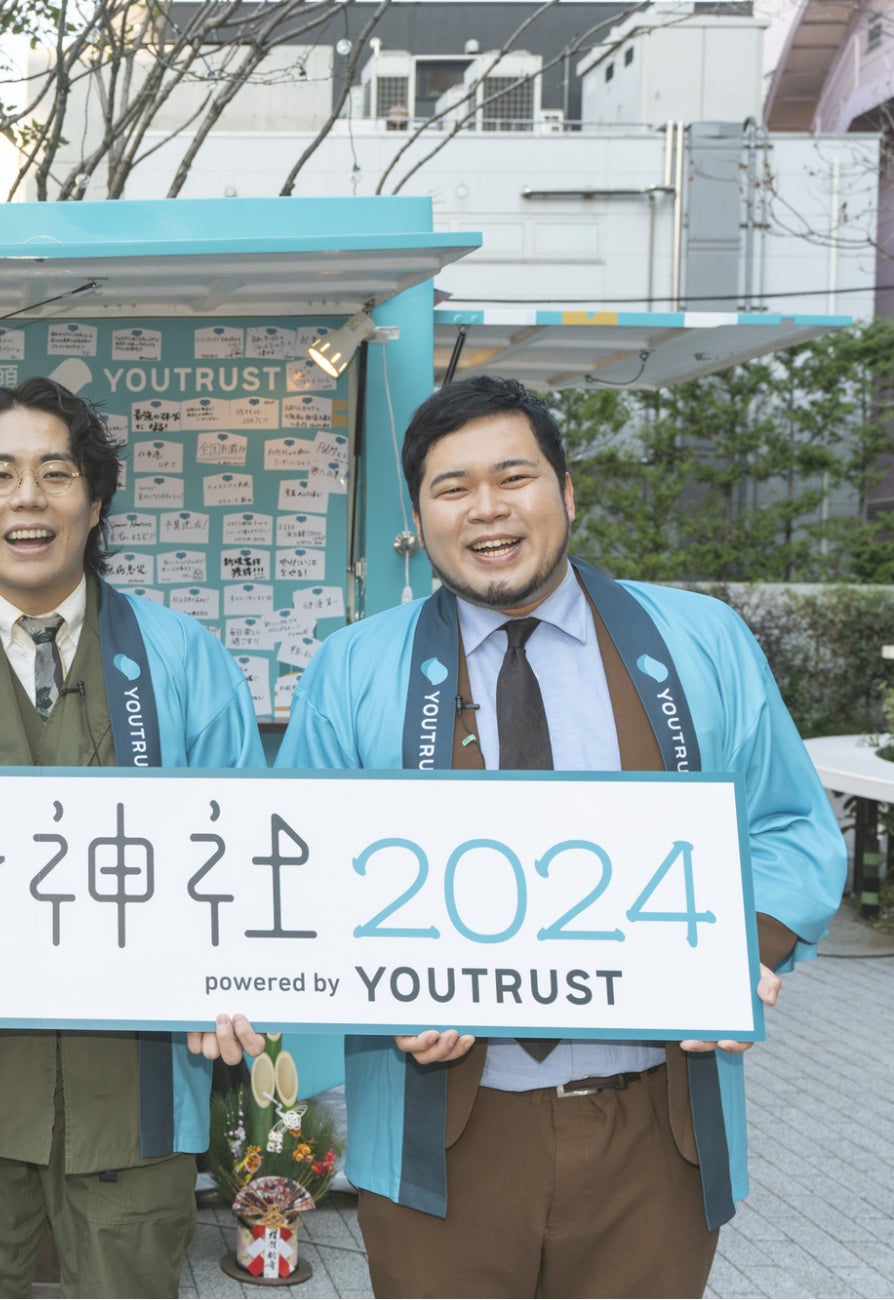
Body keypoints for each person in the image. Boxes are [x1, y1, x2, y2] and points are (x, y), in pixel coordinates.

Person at [276, 375, 845, 1298]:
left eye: (514, 477)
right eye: (452, 488)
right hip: (438, 1133)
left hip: (655, 1128)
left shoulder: (701, 641)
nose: (487, 509)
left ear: (568, 492)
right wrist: (381, 988)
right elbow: (303, 870)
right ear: (419, 521)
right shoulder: (352, 669)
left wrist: (737, 951)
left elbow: (789, 826)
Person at [0, 377, 271, 1299]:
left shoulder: (187, 661)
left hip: (139, 1088)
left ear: (96, 501)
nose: (26, 499)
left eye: (56, 474)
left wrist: (236, 986)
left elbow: (247, 863)